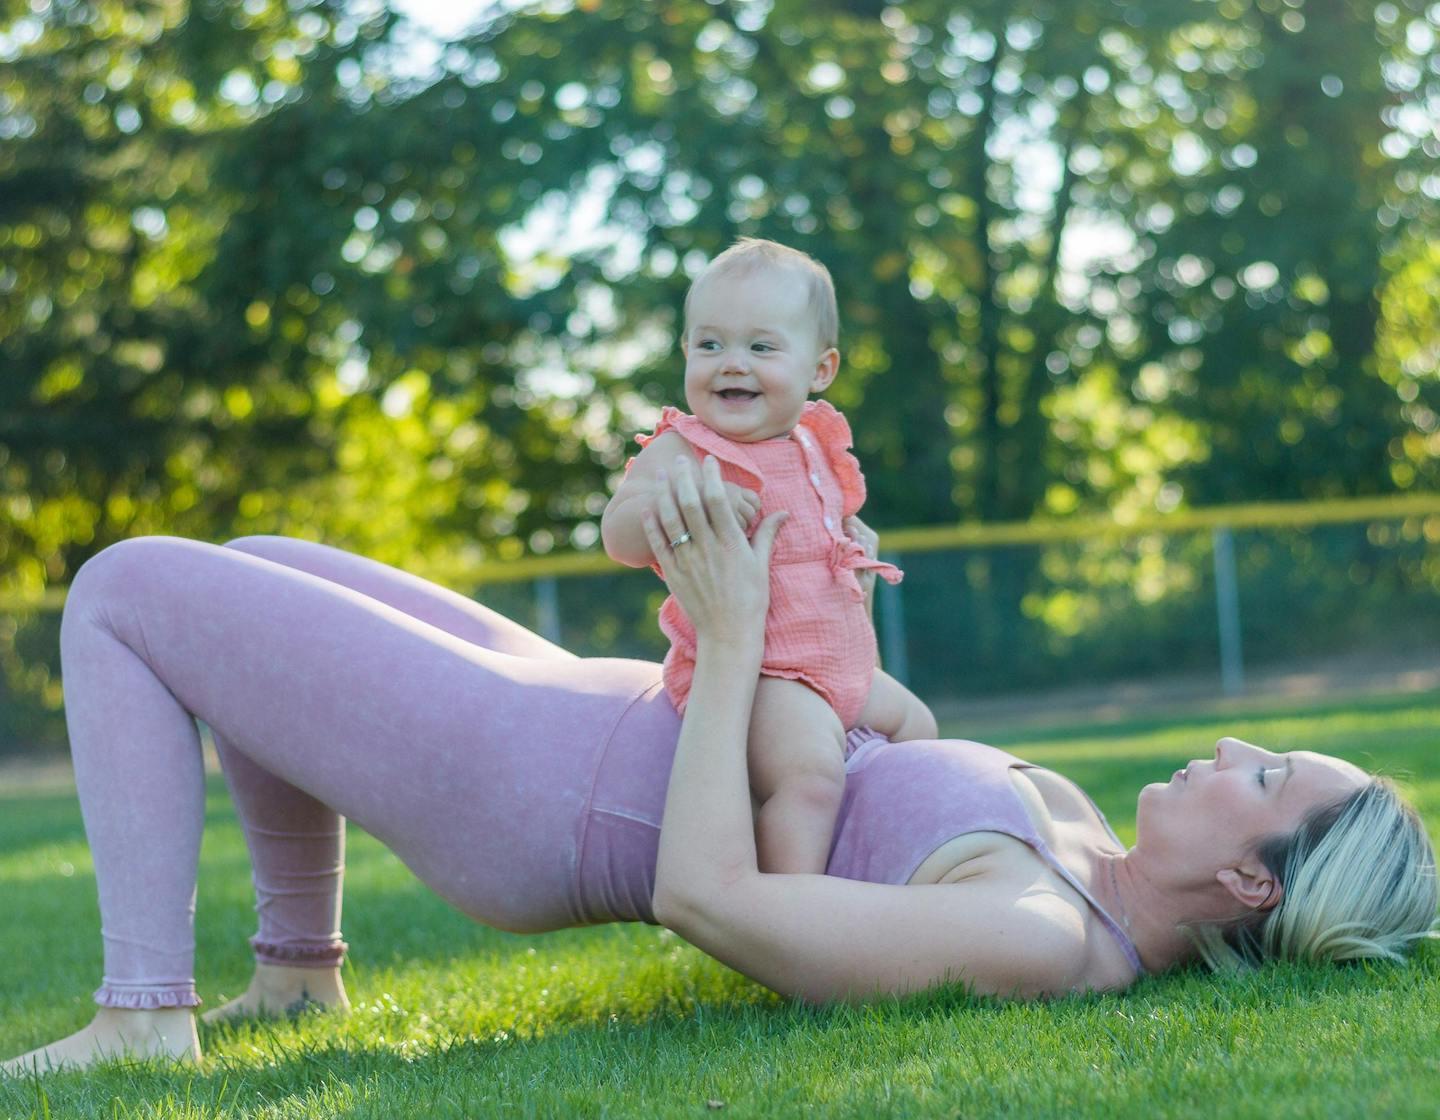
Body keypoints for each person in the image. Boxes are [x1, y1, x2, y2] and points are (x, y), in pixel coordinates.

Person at [2, 457, 1436, 1076]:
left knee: (129, 587)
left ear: (1255, 879)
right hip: (589, 705)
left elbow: (711, 896)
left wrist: (741, 634)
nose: (1234, 747)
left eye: (1268, 774)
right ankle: (296, 972)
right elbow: (886, 763)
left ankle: (145, 1013)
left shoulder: (1039, 933)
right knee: (249, 568)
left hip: (536, 790)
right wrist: (819, 603)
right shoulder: (1073, 853)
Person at [602, 237, 937, 874]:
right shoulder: (686, 449)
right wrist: (697, 505)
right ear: (686, 354)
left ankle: (883, 868)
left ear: (820, 370)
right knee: (809, 777)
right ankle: (784, 911)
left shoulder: (813, 443)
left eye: (761, 346)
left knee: (920, 729)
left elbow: (816, 527)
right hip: (761, 676)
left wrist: (852, 538)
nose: (732, 363)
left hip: (840, 665)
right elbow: (618, 534)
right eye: (710, 344)